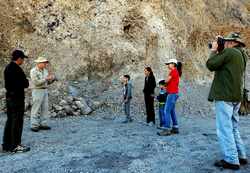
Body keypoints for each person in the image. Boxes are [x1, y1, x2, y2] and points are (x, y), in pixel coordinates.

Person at [206, 32, 248, 170]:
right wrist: (220, 49)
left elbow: (211, 64)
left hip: (225, 96)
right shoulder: (242, 54)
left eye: (229, 41)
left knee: (224, 129)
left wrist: (214, 50)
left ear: (235, 43)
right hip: (236, 96)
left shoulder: (229, 53)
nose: (227, 43)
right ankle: (241, 156)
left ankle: (231, 160)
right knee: (233, 127)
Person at [2, 50, 30, 153]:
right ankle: (15, 145)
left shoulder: (7, 68)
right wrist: (25, 81)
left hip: (9, 97)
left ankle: (6, 144)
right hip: (17, 99)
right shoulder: (17, 69)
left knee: (10, 121)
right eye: (22, 59)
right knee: (17, 122)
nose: (23, 61)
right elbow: (25, 83)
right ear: (19, 59)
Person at [30, 57, 55, 132]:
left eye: (45, 63)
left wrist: (52, 80)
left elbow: (47, 83)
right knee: (36, 108)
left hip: (44, 90)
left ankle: (43, 124)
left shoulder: (45, 71)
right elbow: (36, 82)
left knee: (45, 108)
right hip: (37, 90)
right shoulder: (33, 71)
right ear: (39, 63)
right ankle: (34, 125)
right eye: (44, 63)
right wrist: (46, 79)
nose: (45, 64)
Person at [158, 59, 180, 136]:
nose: (167, 65)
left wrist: (162, 82)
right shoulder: (175, 71)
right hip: (174, 94)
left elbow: (167, 81)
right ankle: (175, 127)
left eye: (169, 64)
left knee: (166, 111)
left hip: (172, 94)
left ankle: (166, 129)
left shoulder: (173, 71)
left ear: (173, 64)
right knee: (171, 111)